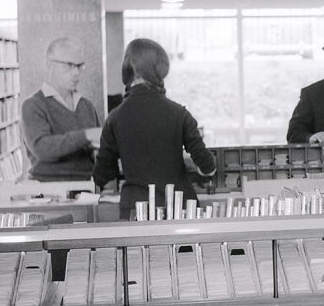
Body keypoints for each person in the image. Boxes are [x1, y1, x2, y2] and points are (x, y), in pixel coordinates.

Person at [92, 38, 216, 220]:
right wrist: (187, 162)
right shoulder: (179, 114)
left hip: (136, 211)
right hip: (180, 211)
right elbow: (208, 168)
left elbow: (102, 176)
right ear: (161, 70)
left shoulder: (115, 117)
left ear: (128, 69)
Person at [21, 37, 102, 181]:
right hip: (47, 191)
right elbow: (42, 148)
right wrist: (86, 136)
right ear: (49, 65)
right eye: (69, 65)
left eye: (79, 66)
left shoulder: (87, 106)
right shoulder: (32, 105)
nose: (76, 73)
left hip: (87, 190)